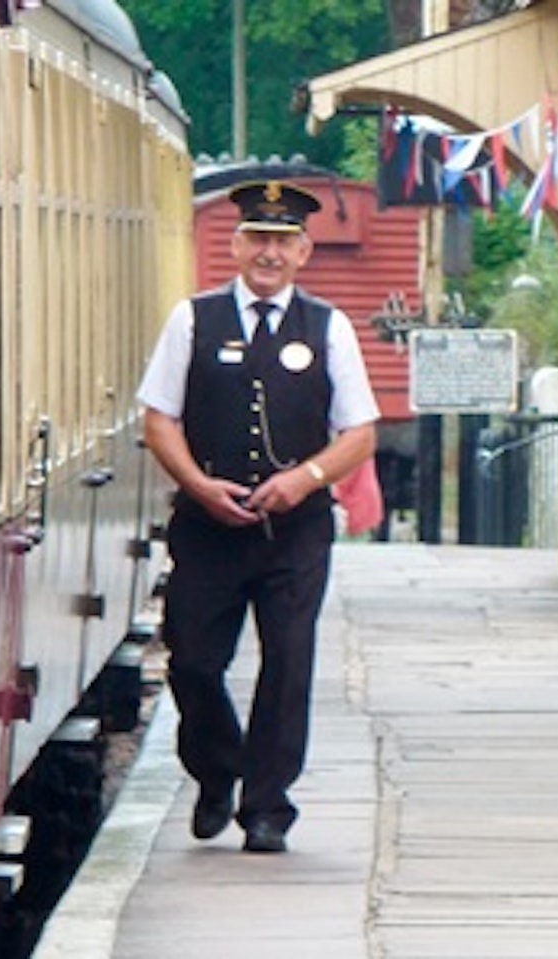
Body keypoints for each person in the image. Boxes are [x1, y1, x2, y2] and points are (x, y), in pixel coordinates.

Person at [136, 179, 379, 853]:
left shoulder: (329, 328)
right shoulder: (192, 320)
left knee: (289, 660)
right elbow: (159, 419)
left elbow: (359, 431)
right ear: (237, 245)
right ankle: (218, 769)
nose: (269, 254)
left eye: (283, 242)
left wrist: (305, 479)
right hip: (208, 526)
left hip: (294, 531)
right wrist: (197, 484)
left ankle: (268, 804)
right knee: (192, 659)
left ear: (304, 252)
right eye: (258, 239)